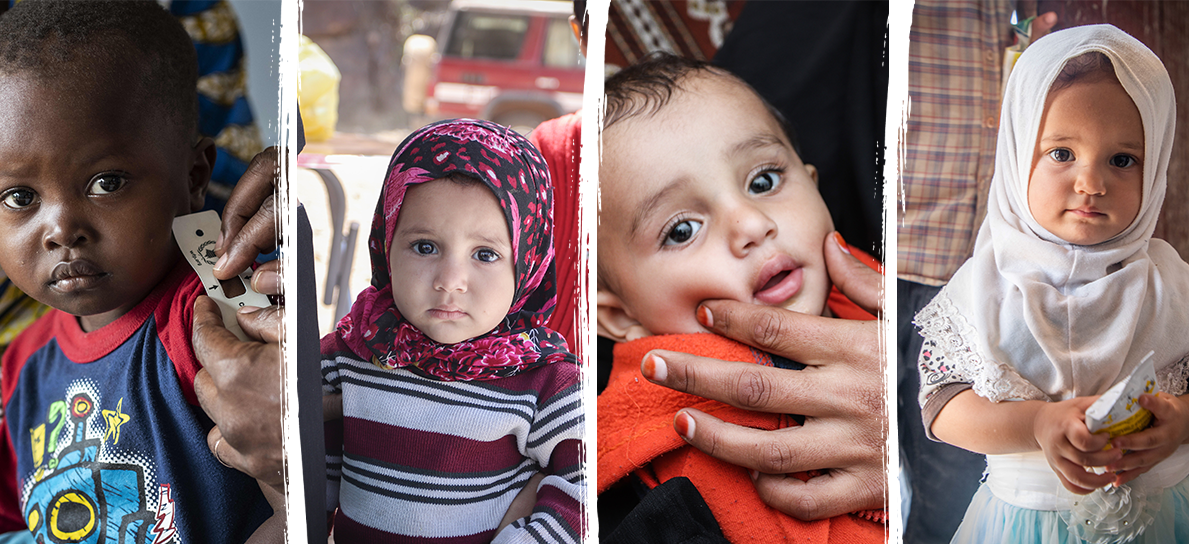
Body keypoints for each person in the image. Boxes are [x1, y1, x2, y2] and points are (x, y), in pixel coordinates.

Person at [0, 1, 275, 541]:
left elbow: (298, 510)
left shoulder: (219, 321)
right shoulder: (19, 370)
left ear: (196, 176)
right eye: (20, 196)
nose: (61, 229)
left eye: (107, 182)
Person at [595, 52, 884, 542]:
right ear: (621, 315)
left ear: (815, 188)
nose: (751, 224)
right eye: (683, 230)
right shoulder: (656, 476)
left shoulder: (882, 300)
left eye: (764, 181)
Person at [917, 25, 1188, 543]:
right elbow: (942, 406)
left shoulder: (1174, 285)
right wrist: (1037, 424)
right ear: (1020, 153)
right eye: (1062, 154)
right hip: (1023, 524)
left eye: (1122, 160)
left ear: (1154, 171)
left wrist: (1181, 423)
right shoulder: (982, 285)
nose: (1092, 182)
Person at [321, 119, 583, 542]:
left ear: (528, 262)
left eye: (485, 254)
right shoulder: (353, 350)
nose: (450, 280)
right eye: (425, 247)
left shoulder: (546, 383)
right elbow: (310, 471)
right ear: (387, 244)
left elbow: (584, 483)